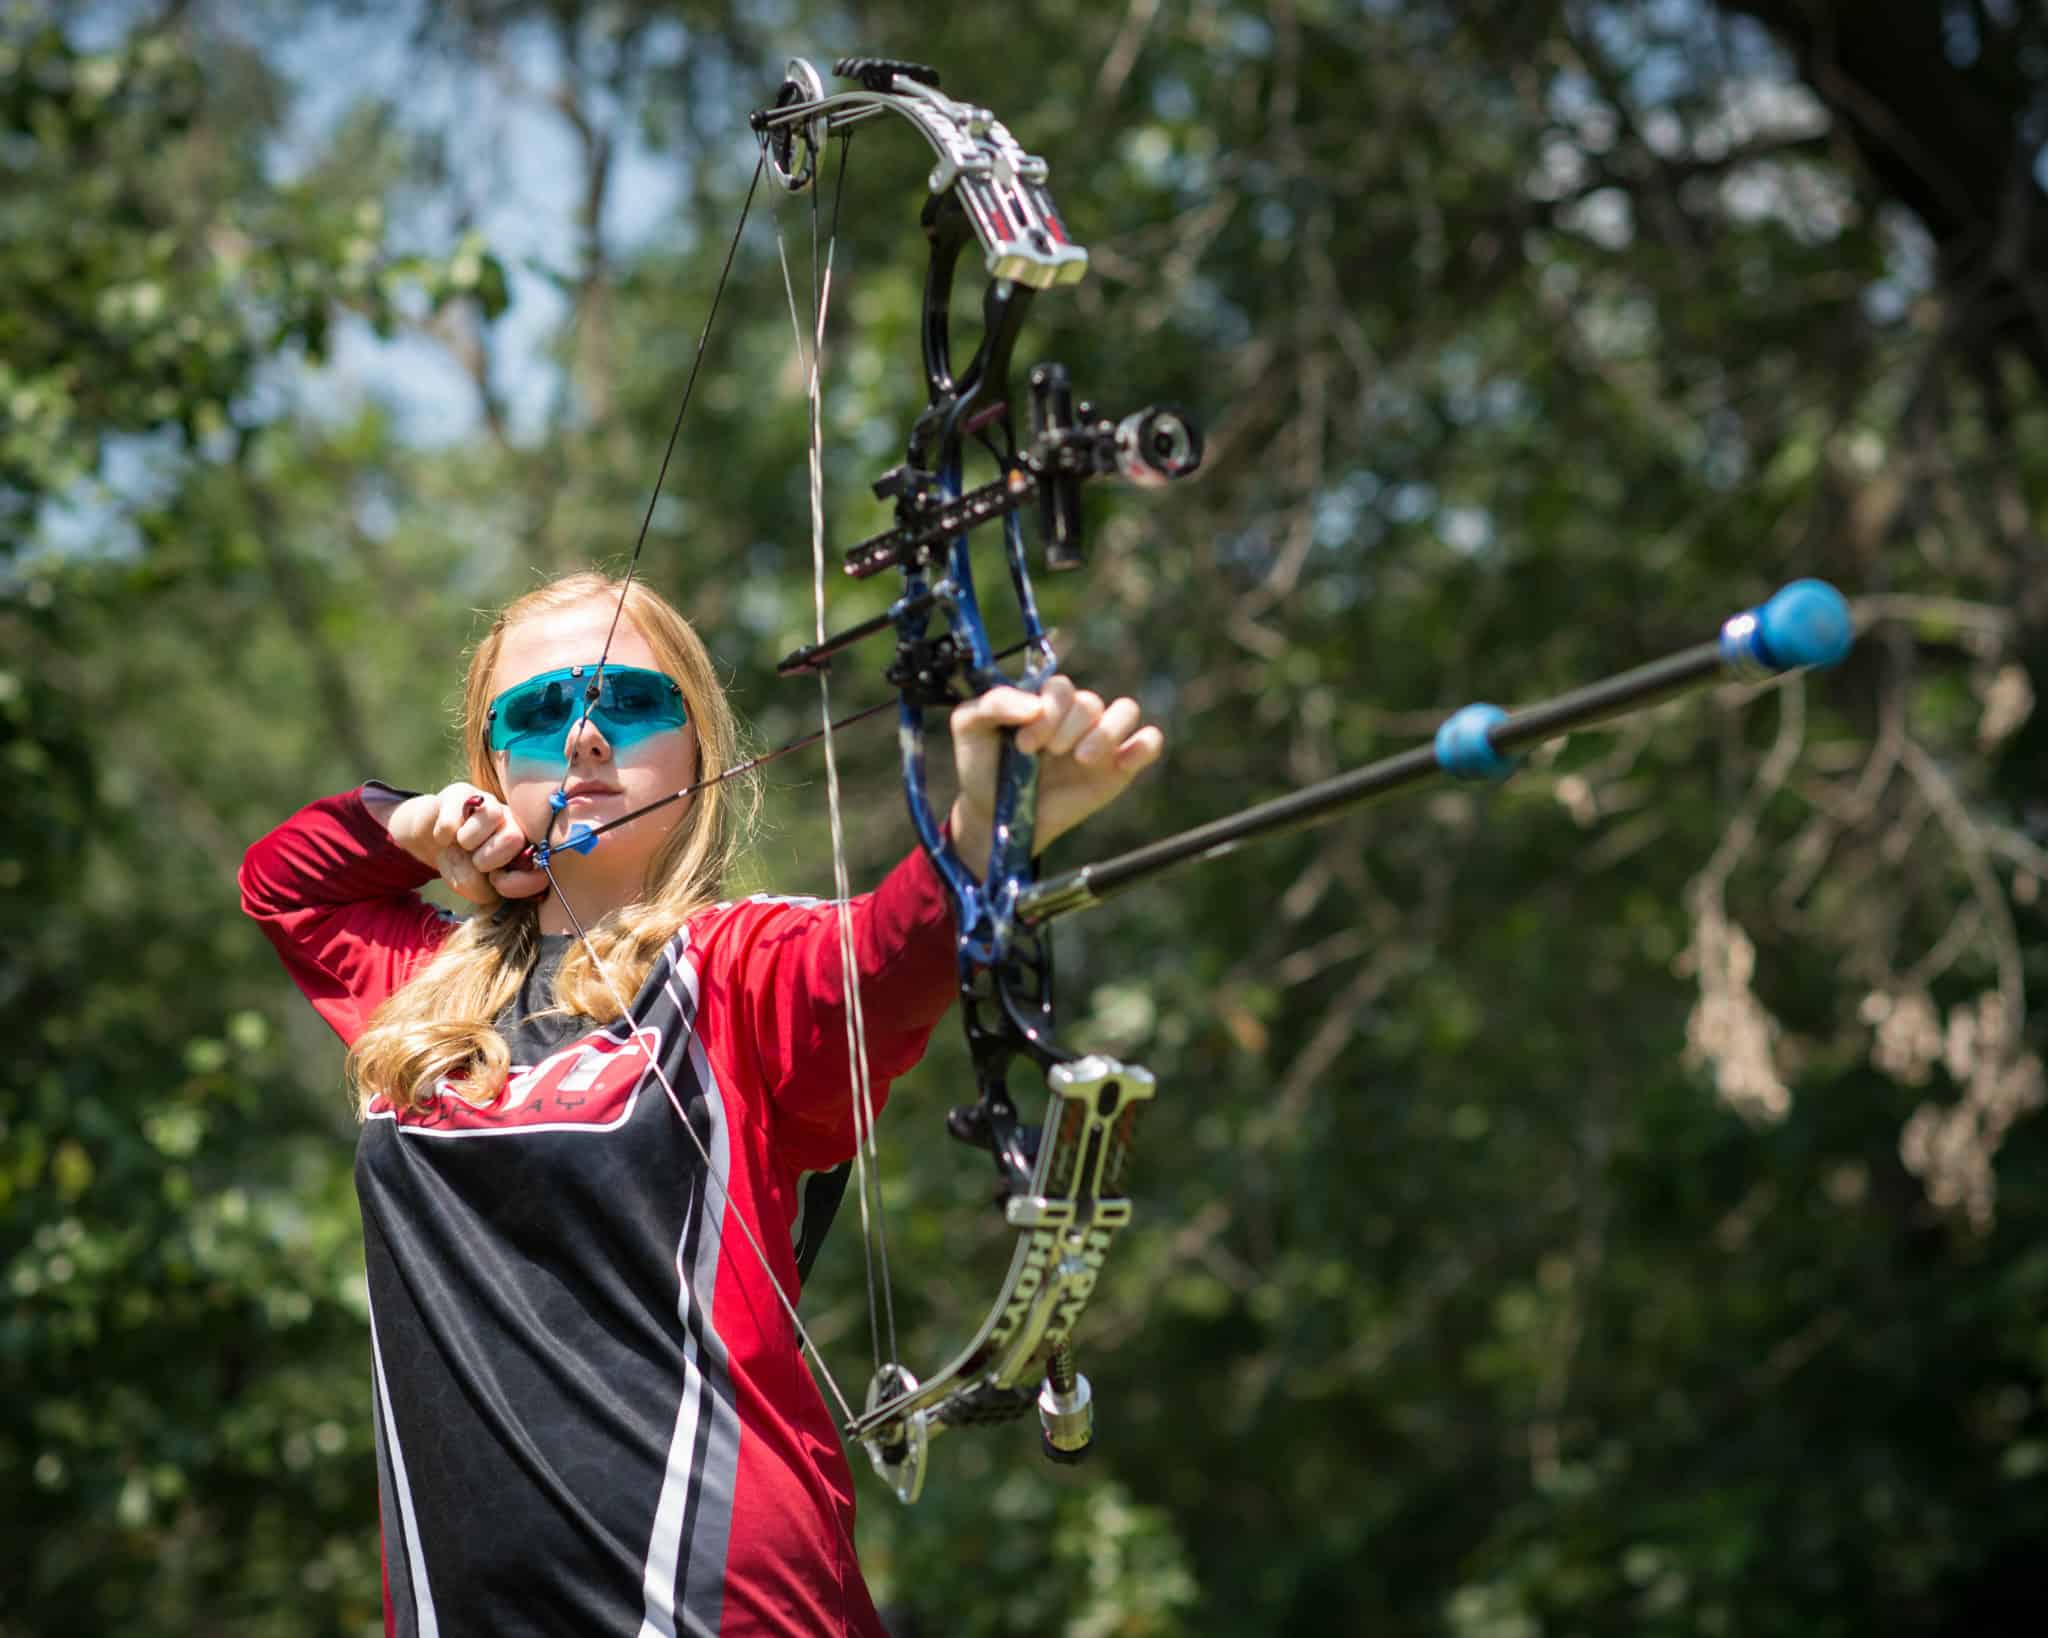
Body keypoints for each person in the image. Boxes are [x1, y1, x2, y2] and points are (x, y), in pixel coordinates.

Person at [239, 571, 1162, 1638]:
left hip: (719, 1606)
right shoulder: (424, 997)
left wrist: (982, 835)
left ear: (696, 747)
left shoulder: (734, 966)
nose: (583, 736)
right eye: (538, 712)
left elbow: (882, 959)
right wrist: (407, 827)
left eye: (627, 702)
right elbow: (282, 885)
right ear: (492, 763)